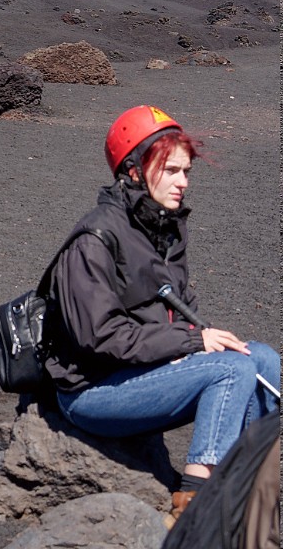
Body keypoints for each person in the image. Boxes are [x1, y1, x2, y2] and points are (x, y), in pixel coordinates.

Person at [56, 106, 266, 512]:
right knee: (232, 367)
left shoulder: (163, 228)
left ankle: (247, 486)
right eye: (171, 170)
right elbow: (100, 336)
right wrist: (191, 343)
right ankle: (195, 502)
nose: (182, 182)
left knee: (261, 359)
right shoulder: (95, 237)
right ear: (133, 170)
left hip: (144, 371)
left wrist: (196, 341)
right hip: (92, 391)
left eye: (186, 172)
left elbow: (177, 309)